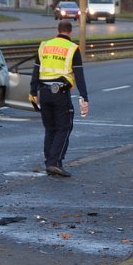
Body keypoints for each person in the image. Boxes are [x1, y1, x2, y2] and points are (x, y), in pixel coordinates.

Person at [29, 20, 90, 177]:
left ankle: (51, 161)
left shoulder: (44, 46)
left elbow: (36, 71)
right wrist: (84, 96)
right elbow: (79, 75)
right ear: (70, 32)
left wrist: (33, 92)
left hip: (44, 92)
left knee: (50, 128)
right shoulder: (72, 49)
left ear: (58, 30)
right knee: (64, 127)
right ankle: (54, 163)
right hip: (60, 93)